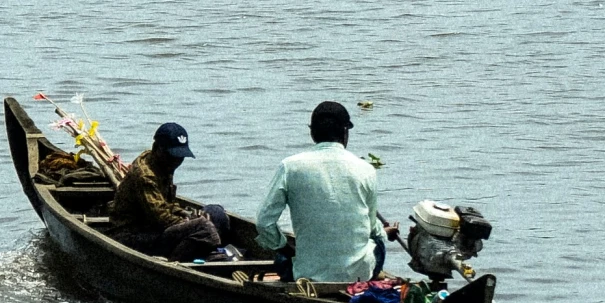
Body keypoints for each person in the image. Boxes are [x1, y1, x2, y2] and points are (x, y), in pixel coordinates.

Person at [255, 101, 397, 283]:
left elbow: (264, 223)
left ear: (312, 133)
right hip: (358, 275)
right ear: (345, 133)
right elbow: (371, 229)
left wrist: (285, 248)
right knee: (378, 242)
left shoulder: (290, 166)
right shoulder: (366, 169)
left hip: (306, 275)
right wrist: (385, 233)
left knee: (282, 257)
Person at [110, 122, 232, 260]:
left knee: (216, 213)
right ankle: (176, 261)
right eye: (172, 156)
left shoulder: (162, 164)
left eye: (180, 157)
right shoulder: (145, 176)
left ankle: (207, 251)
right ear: (157, 149)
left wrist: (187, 213)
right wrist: (188, 221)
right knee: (203, 226)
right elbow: (161, 217)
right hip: (133, 236)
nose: (176, 161)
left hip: (155, 229)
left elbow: (167, 204)